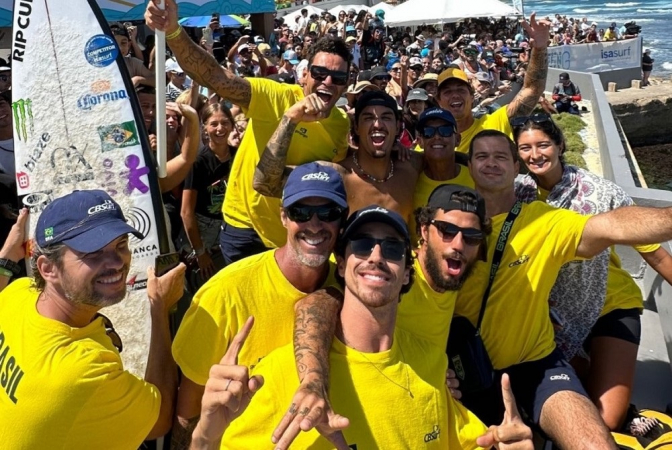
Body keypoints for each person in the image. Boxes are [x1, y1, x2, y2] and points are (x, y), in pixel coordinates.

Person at [202, 205, 534, 450]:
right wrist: (206, 438)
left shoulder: (432, 364)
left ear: (406, 273)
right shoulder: (281, 372)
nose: (376, 255)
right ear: (342, 265)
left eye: (392, 248)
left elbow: (468, 443)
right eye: (362, 244)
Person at [145, 0, 352, 265]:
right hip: (245, 228)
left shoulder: (342, 124)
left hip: (294, 235)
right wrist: (173, 31)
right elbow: (215, 77)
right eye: (320, 73)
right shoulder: (274, 95)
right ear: (304, 75)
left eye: (338, 78)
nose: (328, 82)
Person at [512, 113, 672, 430]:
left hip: (612, 304)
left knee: (606, 420)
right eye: (525, 148)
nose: (535, 154)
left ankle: (627, 410)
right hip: (554, 314)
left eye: (543, 145)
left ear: (559, 145)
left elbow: (652, 252)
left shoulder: (599, 192)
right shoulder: (515, 194)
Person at [170, 163, 347, 447]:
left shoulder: (352, 282)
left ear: (343, 220)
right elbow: (187, 414)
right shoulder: (225, 292)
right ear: (283, 217)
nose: (315, 224)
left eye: (329, 213)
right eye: (300, 212)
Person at [0, 190, 185, 448]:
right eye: (93, 253)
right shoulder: (84, 370)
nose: (117, 262)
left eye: (121, 245)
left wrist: (6, 259)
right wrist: (159, 307)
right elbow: (160, 419)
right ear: (47, 268)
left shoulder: (17, 293)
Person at [253, 90, 423, 226]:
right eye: (368, 118)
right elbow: (265, 183)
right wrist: (290, 119)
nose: (377, 124)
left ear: (397, 125)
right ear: (356, 127)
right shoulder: (335, 177)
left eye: (386, 117)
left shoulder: (412, 165)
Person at [435, 13, 551, 154]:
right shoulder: (430, 143)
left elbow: (533, 90)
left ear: (472, 96)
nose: (455, 96)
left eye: (461, 90)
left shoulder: (494, 123)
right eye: (447, 92)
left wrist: (539, 49)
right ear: (438, 101)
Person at [179, 103, 237, 284]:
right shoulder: (198, 162)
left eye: (225, 123)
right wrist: (200, 251)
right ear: (205, 126)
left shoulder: (239, 155)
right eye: (214, 124)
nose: (220, 128)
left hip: (231, 228)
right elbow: (186, 212)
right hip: (203, 232)